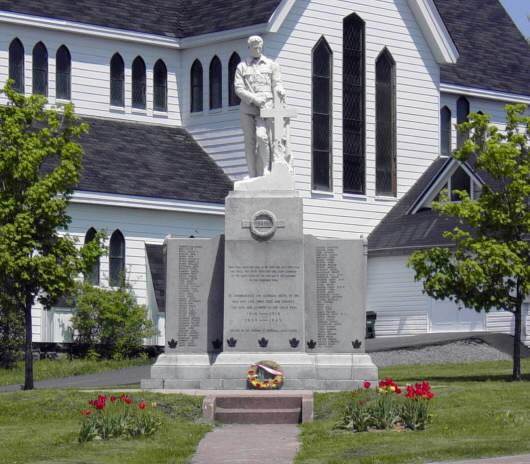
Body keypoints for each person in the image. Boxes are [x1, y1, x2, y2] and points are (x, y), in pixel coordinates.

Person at [234, 36, 285, 178]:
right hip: (248, 109)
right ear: (249, 48)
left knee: (262, 137)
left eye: (259, 47)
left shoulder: (271, 65)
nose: (257, 49)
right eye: (254, 47)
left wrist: (280, 89)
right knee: (250, 142)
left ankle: (266, 170)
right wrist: (254, 98)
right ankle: (252, 174)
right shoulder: (242, 66)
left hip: (266, 109)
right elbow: (238, 88)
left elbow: (277, 82)